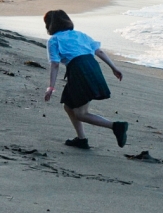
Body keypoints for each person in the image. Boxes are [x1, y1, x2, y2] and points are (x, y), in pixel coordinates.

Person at [42, 10, 128, 149]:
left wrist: (50, 87)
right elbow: (98, 51)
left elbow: (55, 64)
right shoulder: (80, 34)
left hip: (78, 71)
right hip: (92, 66)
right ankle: (81, 139)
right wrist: (114, 68)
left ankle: (116, 126)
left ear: (49, 25)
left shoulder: (54, 40)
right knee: (69, 105)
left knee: (81, 114)